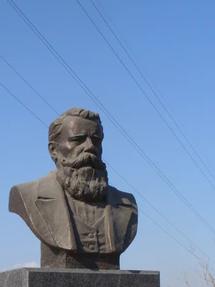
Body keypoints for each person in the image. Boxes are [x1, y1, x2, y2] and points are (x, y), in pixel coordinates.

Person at [9, 108, 138, 269]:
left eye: (96, 141)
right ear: (53, 150)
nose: (90, 147)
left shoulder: (126, 204)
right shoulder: (28, 194)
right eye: (78, 140)